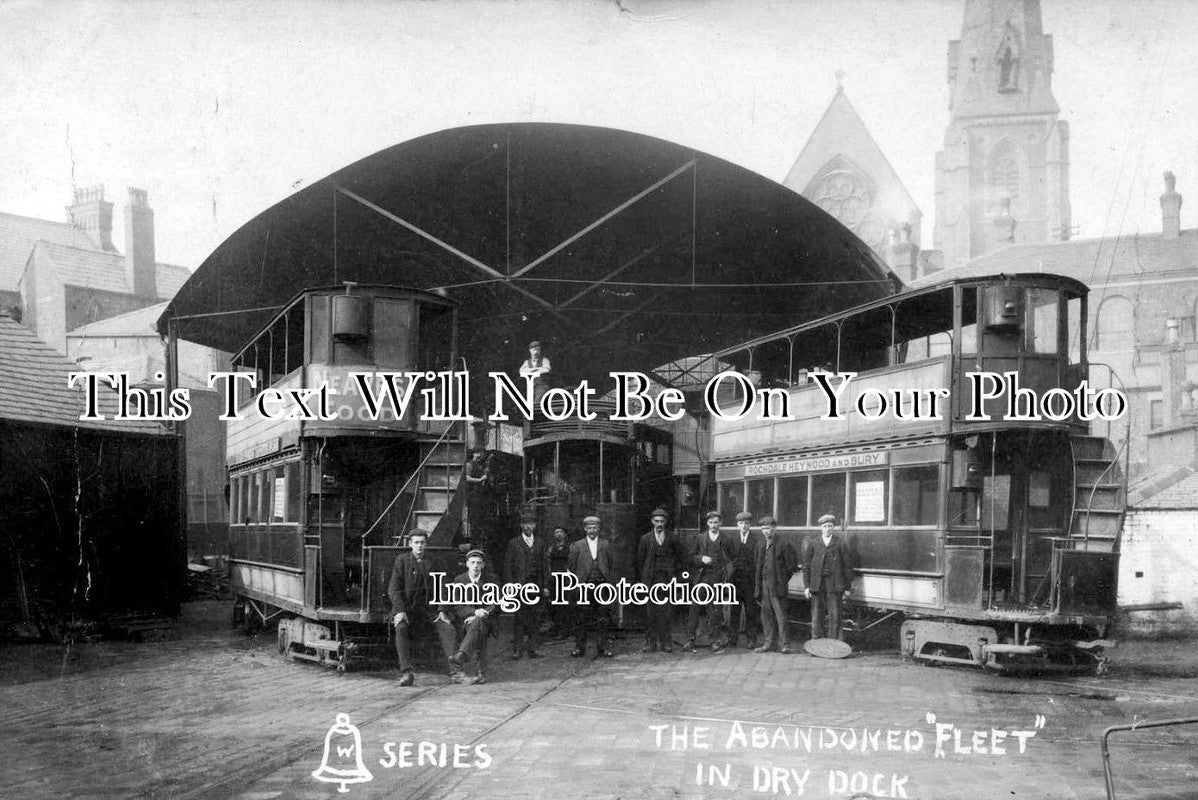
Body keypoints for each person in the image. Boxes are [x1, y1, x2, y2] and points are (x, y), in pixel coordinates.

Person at [387, 531, 459, 686]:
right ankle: (406, 672)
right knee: (401, 628)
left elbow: (445, 588)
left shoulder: (436, 561)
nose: (419, 546)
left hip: (431, 610)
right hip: (408, 610)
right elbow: (394, 588)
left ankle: (456, 671)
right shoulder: (402, 561)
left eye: (422, 543)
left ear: (426, 544)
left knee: (448, 629)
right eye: (416, 542)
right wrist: (400, 610)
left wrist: (442, 610)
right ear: (410, 544)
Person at [682, 510, 735, 653]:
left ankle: (715, 640)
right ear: (707, 523)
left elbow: (732, 560)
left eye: (716, 522)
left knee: (715, 611)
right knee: (695, 608)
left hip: (718, 579)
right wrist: (701, 559)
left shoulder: (726, 539)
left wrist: (726, 577)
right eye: (711, 522)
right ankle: (690, 639)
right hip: (703, 578)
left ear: (720, 523)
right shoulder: (700, 538)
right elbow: (690, 557)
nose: (713, 525)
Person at [446, 549, 499, 684]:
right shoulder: (459, 580)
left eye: (478, 563)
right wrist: (473, 613)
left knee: (480, 624)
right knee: (478, 626)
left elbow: (497, 603)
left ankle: (463, 654)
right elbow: (457, 606)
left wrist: (483, 613)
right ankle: (480, 671)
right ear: (467, 564)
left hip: (486, 620)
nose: (475, 565)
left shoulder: (492, 579)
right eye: (472, 562)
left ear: (483, 565)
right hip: (466, 620)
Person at [566, 515, 614, 658]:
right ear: (585, 529)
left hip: (601, 586)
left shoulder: (606, 544)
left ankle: (602, 647)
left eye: (595, 527)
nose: (592, 530)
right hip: (584, 587)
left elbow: (610, 564)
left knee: (603, 617)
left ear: (598, 529)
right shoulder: (577, 546)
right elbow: (571, 567)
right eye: (589, 527)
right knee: (582, 617)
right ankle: (579, 647)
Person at [636, 507, 684, 653]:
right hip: (651, 580)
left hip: (667, 580)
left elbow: (680, 558)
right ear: (652, 522)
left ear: (665, 522)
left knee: (666, 613)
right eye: (656, 521)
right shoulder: (645, 539)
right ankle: (650, 643)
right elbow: (640, 561)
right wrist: (642, 581)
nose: (659, 524)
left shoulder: (672, 538)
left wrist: (676, 575)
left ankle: (666, 643)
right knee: (650, 613)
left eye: (662, 521)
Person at [504, 506, 548, 659]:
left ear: (535, 526)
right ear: (521, 526)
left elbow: (544, 566)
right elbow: (508, 566)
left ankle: (533, 648)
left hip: (536, 585)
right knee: (519, 618)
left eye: (531, 523)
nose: (529, 526)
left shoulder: (540, 543)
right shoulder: (514, 543)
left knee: (535, 618)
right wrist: (510, 586)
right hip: (519, 586)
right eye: (525, 523)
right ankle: (517, 649)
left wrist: (545, 586)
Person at [804, 513, 855, 641]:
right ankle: (816, 641)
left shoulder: (840, 544)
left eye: (830, 526)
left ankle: (835, 641)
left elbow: (847, 566)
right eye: (825, 526)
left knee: (835, 614)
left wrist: (847, 587)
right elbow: (806, 566)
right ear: (821, 527)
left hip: (834, 584)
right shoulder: (814, 543)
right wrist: (807, 587)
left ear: (833, 528)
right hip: (817, 584)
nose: (827, 529)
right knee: (816, 613)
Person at [754, 515, 799, 654]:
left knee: (781, 615)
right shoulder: (760, 544)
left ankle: (784, 644)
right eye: (763, 529)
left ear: (774, 528)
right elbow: (757, 564)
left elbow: (791, 567)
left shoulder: (784, 544)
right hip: (763, 584)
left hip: (777, 585)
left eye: (768, 528)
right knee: (766, 614)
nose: (766, 531)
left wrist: (781, 580)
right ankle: (768, 643)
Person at [727, 510, 762, 649]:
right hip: (735, 581)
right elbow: (728, 559)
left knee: (750, 611)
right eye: (741, 523)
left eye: (746, 523)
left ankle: (751, 639)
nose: (744, 526)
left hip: (749, 581)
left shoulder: (756, 540)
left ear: (750, 525)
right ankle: (732, 639)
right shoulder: (732, 540)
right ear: (737, 525)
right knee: (734, 611)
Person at [544, 525, 572, 638]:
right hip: (554, 579)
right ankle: (556, 627)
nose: (558, 534)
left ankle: (565, 630)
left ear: (565, 534)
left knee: (565, 605)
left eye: (561, 532)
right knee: (554, 605)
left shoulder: (570, 547)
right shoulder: (551, 548)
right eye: (556, 532)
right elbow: (547, 563)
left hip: (566, 579)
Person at [464, 448, 494, 554]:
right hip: (473, 497)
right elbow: (466, 478)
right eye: (477, 453)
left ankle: (481, 545)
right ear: (473, 454)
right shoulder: (469, 465)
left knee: (483, 521)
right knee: (475, 522)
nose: (479, 455)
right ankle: (474, 545)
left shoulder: (482, 466)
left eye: (480, 454)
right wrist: (479, 480)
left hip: (482, 497)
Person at [518, 340, 552, 406]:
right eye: (534, 350)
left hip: (541, 385)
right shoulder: (527, 362)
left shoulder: (545, 360)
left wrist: (530, 370)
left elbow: (546, 369)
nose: (536, 352)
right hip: (530, 385)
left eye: (538, 350)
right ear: (530, 351)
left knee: (538, 401)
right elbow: (521, 371)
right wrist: (537, 368)